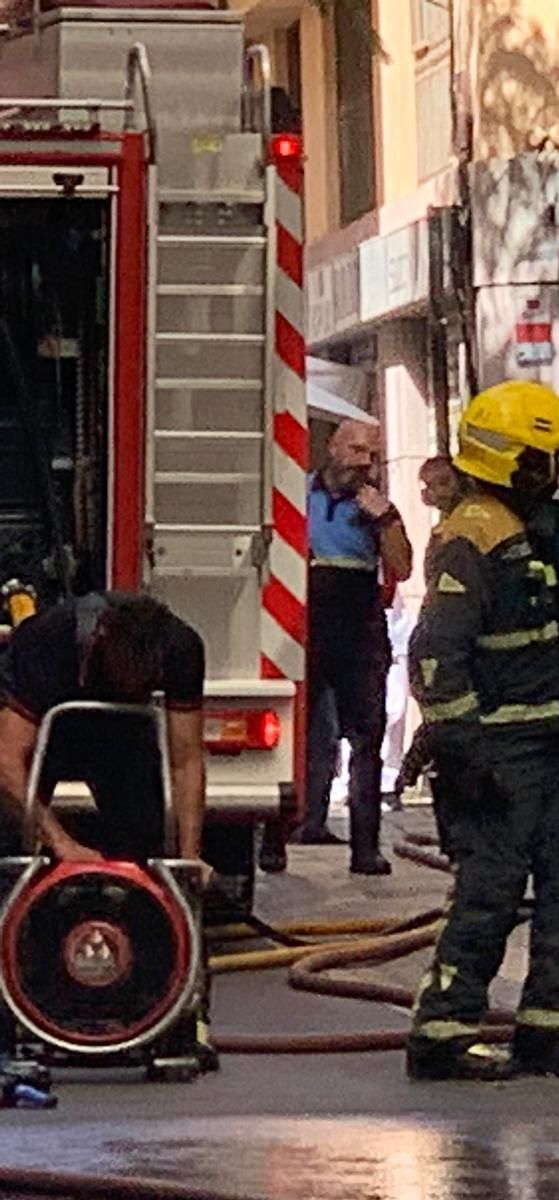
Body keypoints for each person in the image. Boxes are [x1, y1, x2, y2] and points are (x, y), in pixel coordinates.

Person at [400, 380, 559, 1083]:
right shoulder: (471, 536)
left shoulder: (548, 528)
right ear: (512, 461)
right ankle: (442, 1034)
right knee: (490, 891)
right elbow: (438, 655)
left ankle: (550, 1030)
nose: (556, 472)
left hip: (558, 747)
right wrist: (462, 750)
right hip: (498, 751)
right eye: (544, 458)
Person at [0, 592, 219, 1069]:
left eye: (145, 678)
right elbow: (7, 760)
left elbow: (185, 761)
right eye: (127, 673)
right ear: (102, 641)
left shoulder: (180, 648)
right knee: (7, 850)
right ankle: (15, 1007)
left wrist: (187, 862)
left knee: (152, 860)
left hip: (120, 737)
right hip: (48, 735)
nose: (137, 681)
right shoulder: (46, 642)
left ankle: (174, 1014)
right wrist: (61, 843)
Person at [268, 418, 413, 876]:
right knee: (290, 734)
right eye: (355, 450)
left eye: (370, 454)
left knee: (366, 737)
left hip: (359, 629)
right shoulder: (297, 494)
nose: (363, 462)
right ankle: (274, 841)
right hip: (303, 625)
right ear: (331, 448)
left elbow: (403, 567)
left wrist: (385, 519)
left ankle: (366, 849)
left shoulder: (376, 507)